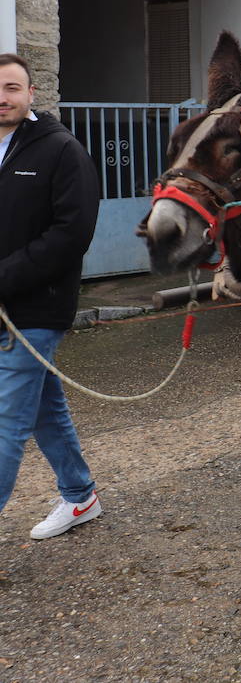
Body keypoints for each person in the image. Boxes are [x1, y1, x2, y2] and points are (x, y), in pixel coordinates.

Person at [0, 53, 102, 540]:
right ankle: (80, 496)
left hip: (37, 307)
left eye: (12, 88)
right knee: (42, 407)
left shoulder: (60, 150)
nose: (2, 98)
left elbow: (72, 233)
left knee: (4, 423)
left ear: (31, 93)